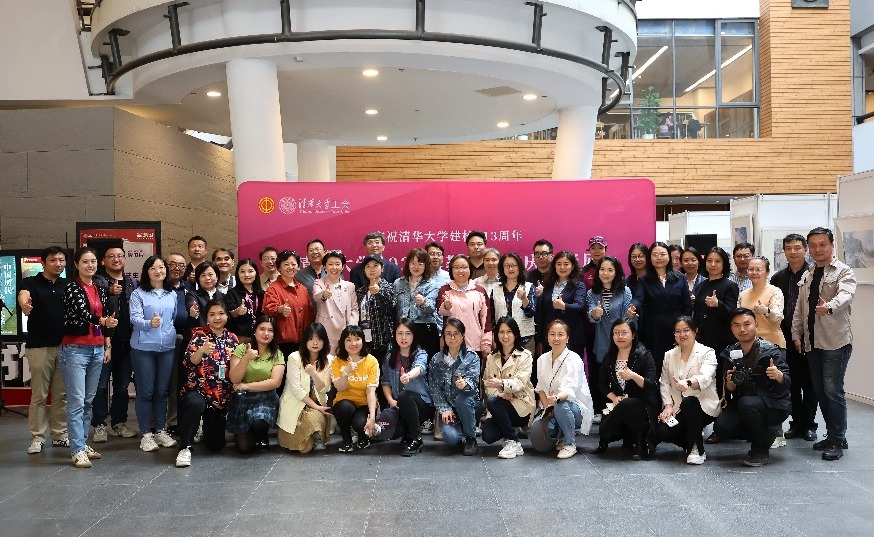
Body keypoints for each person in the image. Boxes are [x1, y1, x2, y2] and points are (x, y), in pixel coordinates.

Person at [791, 227, 856, 461]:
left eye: (822, 244)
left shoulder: (843, 271)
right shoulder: (809, 273)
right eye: (813, 245)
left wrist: (829, 306)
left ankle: (837, 440)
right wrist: (796, 333)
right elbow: (800, 308)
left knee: (833, 391)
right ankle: (834, 435)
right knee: (820, 391)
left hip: (835, 341)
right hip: (812, 342)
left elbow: (846, 295)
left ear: (832, 245)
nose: (818, 249)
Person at [60, 247, 117, 468]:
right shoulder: (72, 287)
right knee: (76, 401)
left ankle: (82, 444)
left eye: (93, 261)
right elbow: (83, 313)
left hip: (96, 348)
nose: (90, 265)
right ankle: (76, 450)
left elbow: (105, 316)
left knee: (88, 401)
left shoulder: (99, 287)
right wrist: (103, 321)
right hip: (75, 348)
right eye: (85, 262)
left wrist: (107, 344)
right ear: (76, 265)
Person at [714, 308, 791, 467]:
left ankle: (760, 450)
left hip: (773, 405)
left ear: (756, 325)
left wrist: (778, 376)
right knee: (721, 427)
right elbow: (729, 389)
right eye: (736, 325)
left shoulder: (771, 350)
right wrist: (730, 384)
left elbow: (787, 382)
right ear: (732, 328)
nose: (742, 329)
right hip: (745, 405)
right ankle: (765, 435)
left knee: (747, 403)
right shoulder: (730, 353)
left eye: (746, 324)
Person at [176, 299, 239, 467]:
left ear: (227, 316)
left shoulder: (232, 339)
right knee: (195, 404)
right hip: (199, 390)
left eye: (221, 313)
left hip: (220, 396)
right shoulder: (199, 335)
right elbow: (190, 361)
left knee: (216, 445)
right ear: (207, 317)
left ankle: (204, 427)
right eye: (212, 314)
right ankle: (185, 447)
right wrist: (202, 350)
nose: (217, 318)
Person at [18, 246, 69, 454]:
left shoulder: (68, 285)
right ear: (43, 263)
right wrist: (24, 305)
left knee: (61, 395)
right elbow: (23, 295)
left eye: (61, 260)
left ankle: (59, 435)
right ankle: (37, 437)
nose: (58, 264)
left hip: (65, 347)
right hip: (39, 347)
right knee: (39, 395)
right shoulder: (31, 282)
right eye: (53, 260)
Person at [128, 255, 179, 453]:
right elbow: (134, 318)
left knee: (162, 391)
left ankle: (160, 430)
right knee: (145, 392)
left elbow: (173, 317)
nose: (158, 271)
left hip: (167, 348)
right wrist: (150, 324)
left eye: (161, 267)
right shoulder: (138, 294)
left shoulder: (171, 293)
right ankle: (146, 434)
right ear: (146, 272)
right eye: (153, 268)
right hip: (143, 349)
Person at [771, 234, 818, 442]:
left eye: (797, 247)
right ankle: (796, 423)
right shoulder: (778, 278)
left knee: (810, 383)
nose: (793, 252)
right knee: (791, 382)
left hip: (809, 336)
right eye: (788, 248)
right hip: (785, 337)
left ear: (805, 249)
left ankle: (809, 424)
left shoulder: (815, 274)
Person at [592, 319, 659, 460]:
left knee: (628, 404)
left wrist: (633, 376)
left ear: (633, 335)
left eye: (624, 333)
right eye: (616, 333)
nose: (619, 336)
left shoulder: (644, 355)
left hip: (642, 405)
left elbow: (651, 385)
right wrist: (614, 397)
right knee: (604, 431)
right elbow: (602, 384)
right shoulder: (609, 357)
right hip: (619, 404)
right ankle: (626, 437)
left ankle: (642, 444)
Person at [91, 246, 138, 443]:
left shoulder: (132, 282)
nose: (116, 259)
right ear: (103, 261)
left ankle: (119, 423)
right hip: (104, 341)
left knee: (122, 386)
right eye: (111, 256)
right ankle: (99, 425)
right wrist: (109, 291)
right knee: (100, 385)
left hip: (127, 342)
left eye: (120, 256)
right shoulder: (97, 282)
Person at [657, 317, 720, 465]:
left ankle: (696, 449)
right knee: (663, 431)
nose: (682, 335)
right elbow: (664, 382)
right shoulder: (669, 355)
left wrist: (688, 382)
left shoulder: (707, 352)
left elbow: (706, 377)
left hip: (703, 405)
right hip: (678, 407)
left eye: (686, 330)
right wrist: (668, 405)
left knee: (690, 402)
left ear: (695, 331)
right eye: (677, 331)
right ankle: (692, 439)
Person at [529, 319, 593, 459]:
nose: (556, 338)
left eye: (560, 334)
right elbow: (541, 388)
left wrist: (556, 399)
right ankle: (561, 433)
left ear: (567, 338)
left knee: (561, 405)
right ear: (547, 337)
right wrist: (548, 408)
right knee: (538, 434)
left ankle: (570, 444)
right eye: (552, 334)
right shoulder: (542, 359)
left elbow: (569, 390)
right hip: (551, 406)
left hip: (574, 408)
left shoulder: (574, 359)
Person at [629, 242, 692, 374]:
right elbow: (639, 298)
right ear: (650, 258)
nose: (659, 257)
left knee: (677, 368)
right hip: (653, 329)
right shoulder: (644, 280)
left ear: (669, 257)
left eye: (662, 254)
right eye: (655, 255)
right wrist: (633, 307)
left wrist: (684, 329)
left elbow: (687, 306)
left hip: (676, 329)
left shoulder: (680, 278)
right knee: (655, 367)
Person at [227, 316, 286, 453]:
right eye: (262, 329)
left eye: (270, 330)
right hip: (243, 399)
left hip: (266, 398)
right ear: (255, 331)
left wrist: (247, 386)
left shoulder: (277, 353)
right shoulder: (242, 349)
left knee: (259, 422)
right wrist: (246, 358)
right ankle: (250, 435)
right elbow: (235, 379)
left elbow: (275, 382)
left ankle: (261, 433)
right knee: (244, 448)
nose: (266, 333)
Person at [481, 317, 535, 459]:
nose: (505, 336)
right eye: (501, 332)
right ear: (497, 335)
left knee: (492, 402)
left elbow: (520, 383)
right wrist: (499, 394)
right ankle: (509, 432)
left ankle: (513, 441)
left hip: (521, 404)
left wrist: (501, 384)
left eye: (509, 331)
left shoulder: (525, 356)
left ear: (515, 334)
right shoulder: (492, 357)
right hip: (499, 403)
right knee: (488, 435)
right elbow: (487, 383)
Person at [586, 256, 633, 421]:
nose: (605, 273)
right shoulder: (592, 293)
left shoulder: (625, 291)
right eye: (602, 269)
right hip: (602, 341)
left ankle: (622, 410)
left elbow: (628, 318)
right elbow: (591, 315)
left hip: (622, 341)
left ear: (616, 272)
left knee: (621, 376)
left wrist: (629, 317)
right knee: (603, 377)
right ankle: (601, 410)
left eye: (610, 270)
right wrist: (595, 313)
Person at [428, 318, 483, 455]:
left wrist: (465, 384)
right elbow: (434, 389)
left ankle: (470, 438)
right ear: (444, 336)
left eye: (456, 333)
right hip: (450, 409)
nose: (452, 337)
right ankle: (463, 428)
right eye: (448, 334)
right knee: (451, 439)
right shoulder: (436, 360)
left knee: (463, 399)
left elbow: (474, 382)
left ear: (463, 335)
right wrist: (444, 409)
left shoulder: (472, 357)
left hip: (469, 405)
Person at [277, 323, 333, 453]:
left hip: (316, 406)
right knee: (305, 448)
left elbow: (325, 389)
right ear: (305, 340)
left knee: (314, 419)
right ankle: (312, 436)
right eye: (311, 338)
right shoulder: (294, 357)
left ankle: (316, 434)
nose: (315, 343)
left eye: (319, 339)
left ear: (324, 341)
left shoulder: (329, 360)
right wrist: (317, 407)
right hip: (296, 404)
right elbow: (296, 390)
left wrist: (314, 374)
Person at [380, 319, 433, 456]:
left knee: (405, 396)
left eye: (408, 333)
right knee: (389, 432)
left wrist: (408, 376)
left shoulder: (420, 353)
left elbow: (420, 367)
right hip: (399, 405)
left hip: (422, 404)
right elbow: (385, 382)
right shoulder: (390, 357)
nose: (404, 337)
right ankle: (408, 434)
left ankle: (417, 438)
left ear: (414, 335)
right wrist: (391, 401)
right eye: (400, 333)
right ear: (395, 335)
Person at [331, 325, 380, 452]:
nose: (353, 343)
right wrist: (345, 372)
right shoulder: (337, 361)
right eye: (348, 340)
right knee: (344, 408)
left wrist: (372, 417)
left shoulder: (371, 361)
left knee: (360, 423)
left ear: (363, 341)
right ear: (343, 342)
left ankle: (363, 435)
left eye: (357, 339)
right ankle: (346, 439)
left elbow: (371, 391)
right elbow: (340, 387)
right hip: (345, 402)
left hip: (365, 404)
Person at [533, 251, 586, 362]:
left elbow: (579, 306)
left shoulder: (579, 285)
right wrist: (540, 340)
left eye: (566, 264)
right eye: (559, 264)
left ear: (572, 266)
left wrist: (564, 306)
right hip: (550, 338)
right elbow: (542, 314)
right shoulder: (548, 285)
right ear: (554, 266)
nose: (562, 267)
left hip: (572, 338)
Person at [437, 255, 493, 357]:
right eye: (456, 267)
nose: (460, 271)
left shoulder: (479, 291)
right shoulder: (445, 290)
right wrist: (445, 306)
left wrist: (486, 343)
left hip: (475, 343)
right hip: (451, 343)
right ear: (451, 270)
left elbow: (486, 319)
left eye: (464, 267)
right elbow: (440, 312)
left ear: (470, 269)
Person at [263, 250, 315, 357]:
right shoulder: (273, 288)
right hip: (283, 342)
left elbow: (309, 313)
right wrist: (279, 310)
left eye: (293, 264)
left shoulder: (303, 289)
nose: (290, 267)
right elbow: (267, 309)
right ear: (279, 268)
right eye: (286, 264)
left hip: (304, 340)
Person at [165, 252, 194, 434]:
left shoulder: (189, 287)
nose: (177, 268)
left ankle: (174, 422)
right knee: (163, 383)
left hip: (186, 338)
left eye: (181, 265)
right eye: (173, 264)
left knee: (178, 382)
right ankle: (157, 424)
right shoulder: (160, 287)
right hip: (164, 338)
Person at [394, 248, 440, 358]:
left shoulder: (432, 284)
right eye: (413, 263)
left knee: (425, 361)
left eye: (420, 264)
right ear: (408, 264)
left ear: (426, 266)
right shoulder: (398, 283)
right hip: (403, 328)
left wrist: (423, 302)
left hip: (424, 328)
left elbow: (432, 308)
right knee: (404, 360)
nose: (416, 267)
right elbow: (394, 307)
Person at [312, 250, 359, 354]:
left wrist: (351, 328)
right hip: (326, 330)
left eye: (337, 264)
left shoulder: (350, 286)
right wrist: (323, 294)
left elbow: (354, 309)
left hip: (345, 331)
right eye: (330, 264)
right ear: (324, 267)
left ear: (343, 267)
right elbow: (316, 297)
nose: (334, 267)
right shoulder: (319, 282)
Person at [355, 254, 397, 369]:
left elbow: (392, 305)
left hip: (383, 340)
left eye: (375, 265)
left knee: (383, 373)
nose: (371, 269)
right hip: (365, 340)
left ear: (382, 268)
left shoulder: (389, 287)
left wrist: (379, 292)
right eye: (368, 266)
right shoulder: (361, 291)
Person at [491, 252, 535, 346]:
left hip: (524, 339)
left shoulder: (529, 287)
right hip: (502, 339)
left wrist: (524, 299)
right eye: (507, 266)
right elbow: (492, 316)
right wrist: (494, 336)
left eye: (513, 265)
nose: (510, 269)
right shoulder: (495, 288)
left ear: (519, 267)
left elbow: (531, 313)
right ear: (502, 268)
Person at [225, 258, 264, 345]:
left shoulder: (262, 294)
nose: (246, 275)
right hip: (240, 339)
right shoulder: (232, 293)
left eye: (250, 271)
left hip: (259, 339)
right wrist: (237, 311)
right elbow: (230, 314)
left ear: (256, 273)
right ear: (237, 274)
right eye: (242, 272)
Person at [527, 239, 554, 357]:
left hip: (553, 327)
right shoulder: (527, 277)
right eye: (537, 254)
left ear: (552, 255)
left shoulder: (558, 276)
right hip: (532, 329)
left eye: (544, 253)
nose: (541, 257)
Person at [185, 261, 224, 330]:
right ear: (198, 279)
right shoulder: (192, 295)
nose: (207, 278)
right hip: (198, 334)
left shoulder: (223, 297)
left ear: (217, 277)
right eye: (203, 275)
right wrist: (193, 311)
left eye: (210, 274)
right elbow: (191, 305)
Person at [295, 239, 327, 304]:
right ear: (307, 255)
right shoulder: (299, 275)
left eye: (318, 249)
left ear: (324, 252)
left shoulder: (334, 272)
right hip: (309, 310)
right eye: (311, 250)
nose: (315, 252)